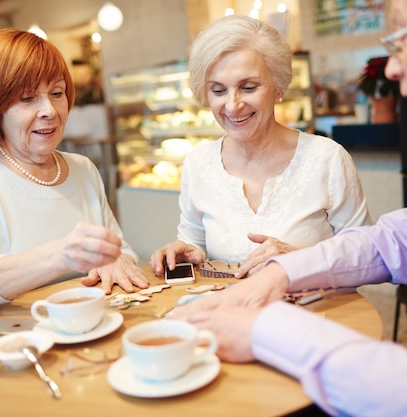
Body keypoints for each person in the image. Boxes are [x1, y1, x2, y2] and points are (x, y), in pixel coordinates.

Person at [172, 0, 407, 415]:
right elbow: (396, 239)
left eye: (402, 39)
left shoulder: (325, 157)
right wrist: (282, 272)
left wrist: (267, 329)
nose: (390, 68)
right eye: (218, 89)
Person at [0, 29, 149, 306]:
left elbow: (121, 250)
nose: (49, 110)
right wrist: (61, 256)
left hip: (87, 329)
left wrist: (117, 261)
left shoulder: (83, 169)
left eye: (57, 93)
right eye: (27, 98)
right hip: (12, 341)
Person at [150, 15, 371, 279]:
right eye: (218, 91)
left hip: (315, 313)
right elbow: (194, 241)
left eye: (248, 87)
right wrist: (185, 251)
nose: (232, 105)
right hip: (233, 315)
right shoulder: (198, 164)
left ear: (279, 86)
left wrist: (299, 258)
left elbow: (367, 255)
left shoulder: (327, 159)